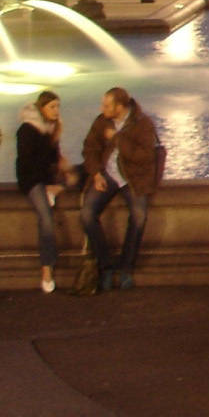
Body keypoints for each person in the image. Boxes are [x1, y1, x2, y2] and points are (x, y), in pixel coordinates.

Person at [81, 87, 161, 292]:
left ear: (120, 107)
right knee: (87, 214)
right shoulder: (102, 121)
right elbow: (90, 148)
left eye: (107, 105)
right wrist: (96, 174)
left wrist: (118, 139)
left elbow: (145, 156)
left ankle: (126, 268)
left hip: (133, 179)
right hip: (107, 176)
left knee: (139, 217)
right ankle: (105, 265)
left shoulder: (143, 123)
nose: (102, 109)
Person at [16, 90, 73, 292]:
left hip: (48, 178)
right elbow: (27, 164)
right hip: (31, 180)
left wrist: (60, 169)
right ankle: (47, 270)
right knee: (46, 219)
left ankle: (54, 191)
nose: (56, 111)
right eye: (52, 107)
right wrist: (50, 176)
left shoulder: (52, 127)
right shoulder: (27, 130)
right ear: (42, 108)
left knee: (80, 174)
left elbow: (53, 158)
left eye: (58, 106)